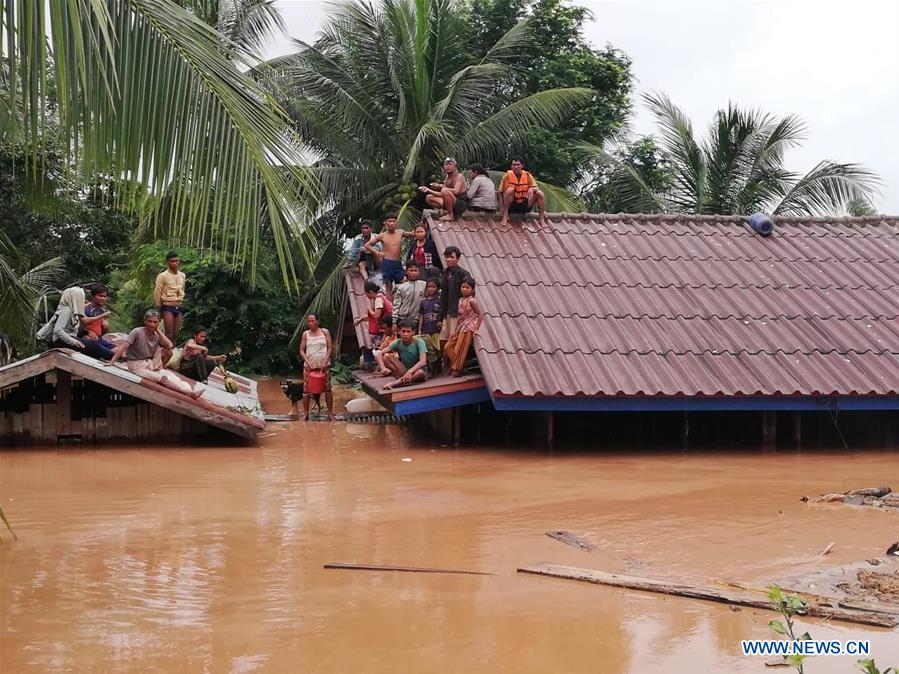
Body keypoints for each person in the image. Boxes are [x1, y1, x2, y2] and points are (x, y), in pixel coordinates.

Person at [106, 310, 203, 399]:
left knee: (173, 376)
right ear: (145, 321)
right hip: (136, 365)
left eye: (155, 322)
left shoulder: (156, 335)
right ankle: (189, 393)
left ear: (158, 323)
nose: (152, 324)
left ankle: (191, 391)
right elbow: (123, 347)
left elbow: (169, 345)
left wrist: (158, 331)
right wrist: (111, 362)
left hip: (149, 363)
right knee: (162, 379)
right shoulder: (137, 332)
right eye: (150, 321)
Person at [38, 286, 116, 360]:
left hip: (69, 339)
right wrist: (74, 342)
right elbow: (58, 330)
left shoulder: (72, 311)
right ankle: (115, 356)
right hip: (62, 341)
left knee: (92, 345)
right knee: (93, 345)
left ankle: (112, 356)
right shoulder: (67, 310)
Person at [444, 277, 483, 377]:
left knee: (459, 349)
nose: (465, 289)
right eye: (463, 287)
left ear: (472, 290)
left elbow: (480, 314)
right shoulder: (460, 299)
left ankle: (456, 369)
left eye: (467, 287)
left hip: (468, 327)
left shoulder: (472, 301)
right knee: (448, 347)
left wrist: (476, 328)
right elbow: (459, 316)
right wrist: (454, 329)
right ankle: (460, 366)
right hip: (460, 326)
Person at [299, 314, 335, 421]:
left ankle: (330, 413)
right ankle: (305, 413)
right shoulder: (306, 334)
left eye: (312, 321)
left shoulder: (325, 332)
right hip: (309, 367)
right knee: (306, 391)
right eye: (309, 321)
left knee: (327, 389)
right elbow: (301, 350)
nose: (310, 323)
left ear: (317, 322)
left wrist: (325, 360)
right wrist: (306, 360)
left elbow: (330, 348)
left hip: (324, 367)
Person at [375, 320, 429, 389]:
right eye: (403, 331)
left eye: (408, 331)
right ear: (399, 332)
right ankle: (400, 380)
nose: (405, 334)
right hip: (404, 370)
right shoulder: (398, 342)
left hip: (417, 371)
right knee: (386, 356)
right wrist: (383, 368)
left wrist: (410, 372)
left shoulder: (419, 342)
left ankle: (396, 383)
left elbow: (423, 362)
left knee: (420, 373)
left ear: (413, 332)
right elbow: (379, 353)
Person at [364, 213, 408, 295]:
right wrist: (377, 253)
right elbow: (367, 245)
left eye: (393, 221)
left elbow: (413, 234)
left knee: (403, 281)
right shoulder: (382, 235)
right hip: (387, 262)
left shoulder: (400, 232)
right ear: (386, 223)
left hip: (398, 263)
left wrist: (419, 229)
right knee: (388, 285)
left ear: (396, 222)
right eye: (390, 221)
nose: (392, 223)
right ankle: (390, 304)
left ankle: (401, 300)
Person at [438, 246, 469, 354]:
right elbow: (443, 295)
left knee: (452, 340)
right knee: (443, 340)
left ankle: (454, 366)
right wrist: (440, 315)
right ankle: (446, 366)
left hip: (457, 311)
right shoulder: (445, 272)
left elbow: (470, 293)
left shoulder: (462, 273)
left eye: (452, 257)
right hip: (447, 311)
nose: (449, 259)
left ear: (458, 258)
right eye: (447, 257)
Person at [499, 158, 547, 227]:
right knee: (510, 190)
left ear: (522, 166)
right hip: (512, 205)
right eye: (514, 165)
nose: (516, 167)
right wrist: (502, 207)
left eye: (518, 165)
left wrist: (531, 189)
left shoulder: (527, 175)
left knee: (540, 193)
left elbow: (536, 187)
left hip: (525, 204)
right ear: (511, 167)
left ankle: (541, 218)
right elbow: (500, 192)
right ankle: (505, 215)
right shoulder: (507, 176)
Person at [419, 157, 468, 221]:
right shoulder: (447, 178)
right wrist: (428, 190)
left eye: (450, 164)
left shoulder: (459, 176)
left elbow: (456, 191)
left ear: (455, 167)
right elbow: (442, 194)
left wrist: (441, 187)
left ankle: (450, 215)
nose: (447, 166)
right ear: (444, 167)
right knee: (429, 197)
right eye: (446, 164)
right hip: (450, 202)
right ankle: (448, 209)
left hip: (459, 204)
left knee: (445, 190)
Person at [154, 251, 186, 343]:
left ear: (179, 261)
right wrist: (158, 306)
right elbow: (157, 291)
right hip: (167, 305)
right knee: (169, 333)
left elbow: (182, 289)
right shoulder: (163, 276)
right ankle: (165, 352)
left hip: (178, 305)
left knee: (176, 334)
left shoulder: (182, 275)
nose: (174, 263)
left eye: (176, 261)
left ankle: (173, 352)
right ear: (168, 262)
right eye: (172, 261)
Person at [353, 281, 392, 350]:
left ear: (370, 292)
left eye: (366, 294)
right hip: (385, 324)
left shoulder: (378, 299)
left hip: (389, 325)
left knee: (380, 346)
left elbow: (376, 315)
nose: (366, 296)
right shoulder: (379, 297)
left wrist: (369, 310)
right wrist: (360, 319)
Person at [418, 278, 443, 373]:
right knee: (429, 350)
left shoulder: (440, 300)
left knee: (437, 348)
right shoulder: (423, 302)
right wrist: (420, 329)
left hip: (436, 329)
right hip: (426, 329)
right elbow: (421, 316)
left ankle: (439, 366)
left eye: (433, 287)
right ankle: (433, 367)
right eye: (429, 287)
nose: (431, 289)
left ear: (437, 288)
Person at [391, 262, 427, 328]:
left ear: (419, 272)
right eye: (411, 270)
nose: (413, 273)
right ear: (406, 272)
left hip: (416, 320)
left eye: (415, 270)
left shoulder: (424, 285)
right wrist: (394, 322)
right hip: (402, 319)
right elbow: (396, 304)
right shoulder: (402, 287)